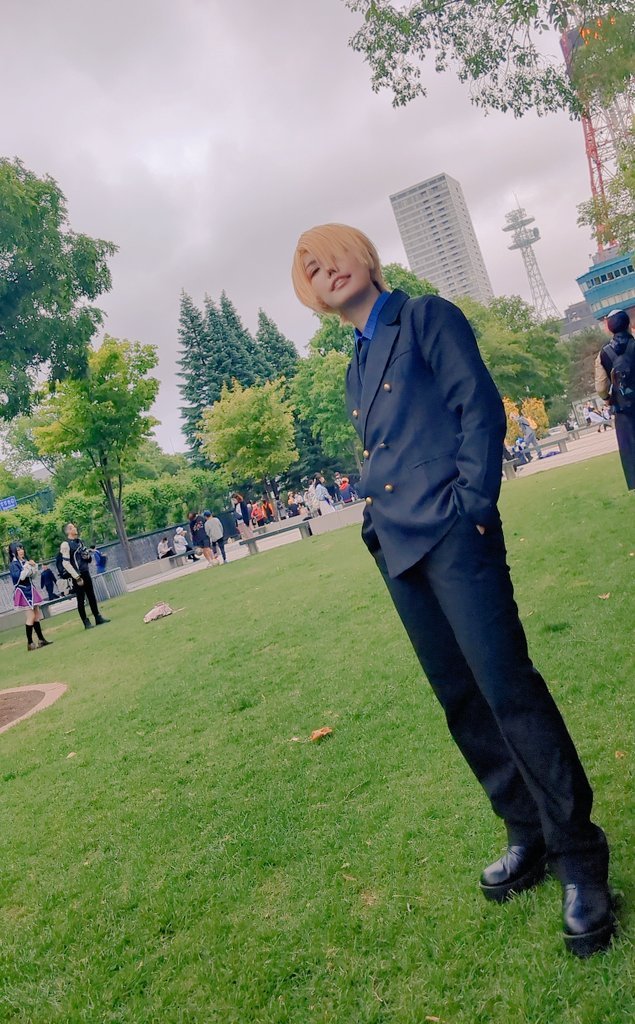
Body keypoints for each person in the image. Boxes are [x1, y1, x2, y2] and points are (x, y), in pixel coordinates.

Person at [291, 222, 614, 958]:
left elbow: (479, 409)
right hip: (399, 551)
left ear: (363, 258)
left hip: (453, 535)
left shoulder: (424, 317)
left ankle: (578, 858)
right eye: (310, 269)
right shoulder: (354, 363)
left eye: (332, 256)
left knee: (507, 689)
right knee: (461, 701)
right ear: (310, 293)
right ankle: (525, 832)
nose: (325, 271)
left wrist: (473, 508)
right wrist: (373, 526)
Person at [595, 308, 635, 489]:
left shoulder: (604, 353)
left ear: (610, 328)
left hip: (622, 408)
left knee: (631, 451)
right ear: (628, 324)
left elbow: (601, 387)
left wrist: (607, 398)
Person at [60, 523, 110, 630]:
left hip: (85, 571)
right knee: (81, 599)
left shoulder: (80, 542)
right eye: (73, 527)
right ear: (68, 530)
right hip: (77, 575)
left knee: (91, 595)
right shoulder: (66, 544)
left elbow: (86, 558)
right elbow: (66, 563)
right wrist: (76, 576)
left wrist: (87, 557)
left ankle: (97, 617)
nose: (75, 528)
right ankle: (86, 622)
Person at [9, 543, 53, 652]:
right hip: (22, 591)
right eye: (18, 549)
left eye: (22, 548)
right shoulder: (14, 564)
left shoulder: (24, 562)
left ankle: (41, 640)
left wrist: (34, 567)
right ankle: (30, 643)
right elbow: (20, 577)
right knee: (31, 616)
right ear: (14, 552)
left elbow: (32, 576)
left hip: (30, 589)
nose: (21, 551)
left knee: (37, 615)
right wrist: (27, 566)